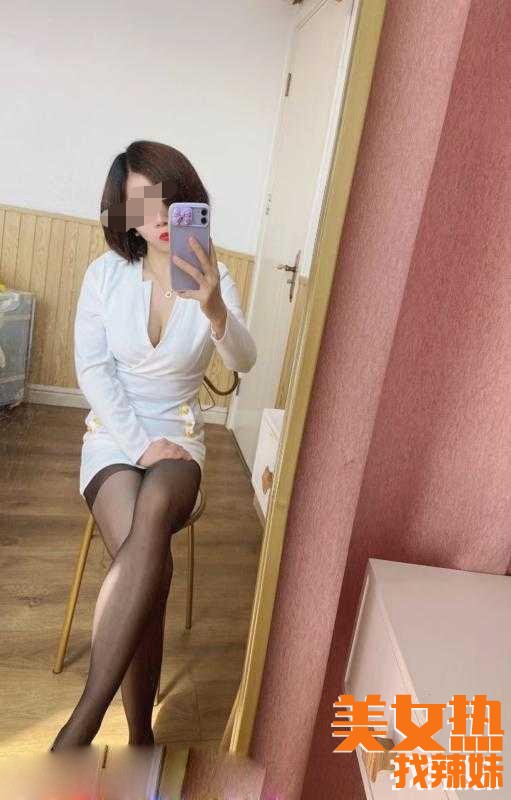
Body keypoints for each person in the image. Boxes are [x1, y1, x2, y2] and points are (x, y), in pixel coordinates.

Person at [50, 140, 257, 749]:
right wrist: (139, 446)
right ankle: (138, 737)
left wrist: (215, 310)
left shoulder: (214, 275)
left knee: (156, 511)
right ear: (126, 215)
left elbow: (243, 360)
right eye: (142, 205)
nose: (160, 218)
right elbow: (94, 373)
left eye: (168, 200)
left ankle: (80, 731)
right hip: (113, 436)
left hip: (181, 436)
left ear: (188, 198)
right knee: (151, 566)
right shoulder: (105, 275)